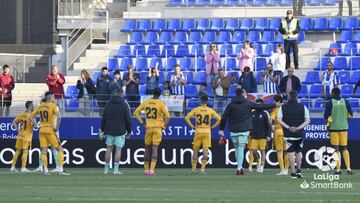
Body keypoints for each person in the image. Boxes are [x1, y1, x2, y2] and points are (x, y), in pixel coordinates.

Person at [219, 88, 281, 175]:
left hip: (233, 130)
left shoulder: (230, 104)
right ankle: (239, 167)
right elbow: (261, 106)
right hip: (244, 130)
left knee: (237, 149)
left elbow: (224, 117)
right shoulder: (247, 102)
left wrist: (221, 129)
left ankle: (239, 167)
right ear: (243, 94)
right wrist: (275, 105)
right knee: (240, 148)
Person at [134, 87, 170, 176]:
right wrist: (164, 125)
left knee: (147, 149)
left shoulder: (146, 102)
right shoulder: (161, 104)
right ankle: (151, 170)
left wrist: (142, 123)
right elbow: (168, 116)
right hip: (158, 128)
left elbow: (135, 113)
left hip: (148, 128)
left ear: (152, 93)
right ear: (160, 94)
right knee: (155, 149)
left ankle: (146, 170)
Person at [32, 91, 70, 175]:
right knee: (60, 149)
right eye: (53, 96)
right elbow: (59, 117)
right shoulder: (53, 106)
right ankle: (60, 170)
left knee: (44, 150)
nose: (54, 98)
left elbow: (31, 116)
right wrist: (57, 128)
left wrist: (36, 125)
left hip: (41, 130)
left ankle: (45, 170)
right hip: (50, 130)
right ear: (50, 97)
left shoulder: (40, 106)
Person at [185, 95, 221, 175]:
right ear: (207, 101)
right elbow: (219, 119)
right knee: (205, 151)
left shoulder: (196, 110)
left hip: (198, 131)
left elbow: (186, 118)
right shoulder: (210, 110)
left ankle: (194, 169)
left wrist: (192, 126)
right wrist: (213, 126)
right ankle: (202, 169)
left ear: (200, 101)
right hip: (207, 132)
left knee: (195, 151)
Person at [277, 91, 310, 179]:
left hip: (288, 133)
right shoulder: (303, 107)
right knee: (299, 152)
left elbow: (279, 120)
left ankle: (293, 172)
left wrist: (288, 127)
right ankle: (299, 170)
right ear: (297, 97)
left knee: (290, 153)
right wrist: (299, 128)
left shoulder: (282, 107)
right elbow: (307, 120)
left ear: (288, 97)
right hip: (299, 133)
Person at [101, 88, 132, 175]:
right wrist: (129, 131)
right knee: (118, 150)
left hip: (109, 130)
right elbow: (128, 119)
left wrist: (102, 129)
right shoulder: (124, 104)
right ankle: (115, 170)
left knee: (108, 149)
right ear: (122, 93)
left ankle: (106, 170)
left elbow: (104, 118)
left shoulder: (108, 104)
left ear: (115, 93)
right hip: (120, 130)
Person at [324, 87, 353, 175]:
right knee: (344, 148)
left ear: (333, 93)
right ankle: (348, 169)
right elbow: (351, 114)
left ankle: (338, 170)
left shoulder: (330, 103)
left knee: (336, 149)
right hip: (344, 128)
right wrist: (343, 119)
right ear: (340, 93)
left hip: (334, 128)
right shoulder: (346, 102)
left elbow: (326, 116)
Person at [10, 101, 35, 173]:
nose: (33, 107)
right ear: (30, 106)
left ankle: (12, 167)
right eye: (33, 105)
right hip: (27, 135)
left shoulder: (22, 114)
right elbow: (34, 125)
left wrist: (18, 130)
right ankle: (23, 168)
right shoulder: (31, 115)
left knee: (18, 151)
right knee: (25, 151)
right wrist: (35, 122)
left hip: (20, 135)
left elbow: (14, 122)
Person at [248, 99, 272, 173]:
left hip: (263, 136)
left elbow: (269, 126)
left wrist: (268, 135)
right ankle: (258, 161)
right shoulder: (252, 113)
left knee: (262, 151)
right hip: (254, 136)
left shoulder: (265, 113)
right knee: (253, 151)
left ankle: (262, 166)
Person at [271, 95, 289, 176]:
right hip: (287, 131)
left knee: (280, 151)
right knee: (287, 152)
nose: (273, 102)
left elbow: (270, 120)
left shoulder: (276, 109)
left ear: (278, 101)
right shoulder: (286, 108)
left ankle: (282, 170)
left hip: (278, 131)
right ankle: (286, 170)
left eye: (274, 101)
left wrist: (272, 130)